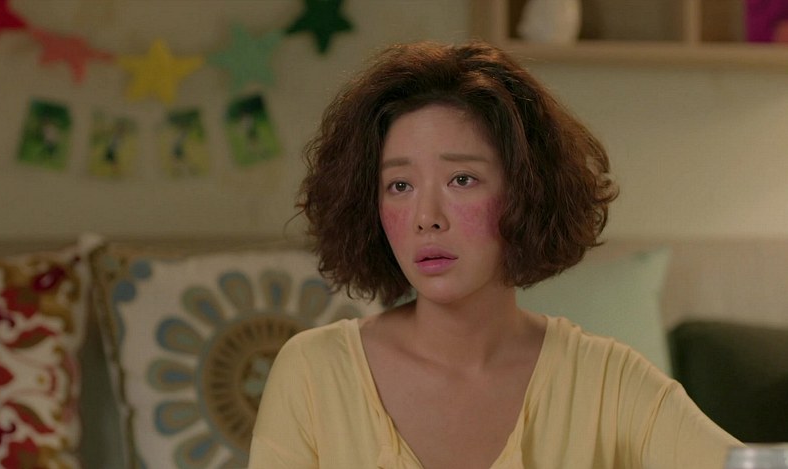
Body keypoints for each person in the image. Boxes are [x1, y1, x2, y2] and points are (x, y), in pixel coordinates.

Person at [249, 40, 741, 469]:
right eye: (399, 185)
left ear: (525, 192)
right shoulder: (313, 373)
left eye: (461, 179)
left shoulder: (606, 382)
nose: (426, 217)